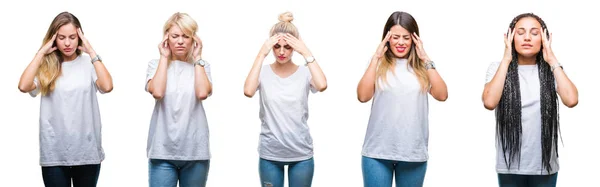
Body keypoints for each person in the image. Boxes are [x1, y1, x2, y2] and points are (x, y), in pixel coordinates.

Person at [17, 11, 113, 187]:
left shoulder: (89, 64)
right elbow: (23, 86)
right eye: (61, 37)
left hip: (87, 151)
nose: (67, 43)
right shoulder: (46, 66)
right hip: (54, 153)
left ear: (80, 37)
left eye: (72, 37)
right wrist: (41, 54)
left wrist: (91, 51)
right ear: (53, 39)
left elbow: (107, 87)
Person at [482, 13, 578, 187]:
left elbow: (571, 100)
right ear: (510, 37)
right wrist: (506, 59)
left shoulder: (552, 69)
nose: (527, 38)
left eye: (534, 33)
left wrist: (552, 59)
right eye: (520, 32)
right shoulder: (498, 68)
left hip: (545, 167)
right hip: (510, 167)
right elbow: (489, 102)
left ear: (544, 38)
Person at [357, 11, 448, 187]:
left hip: (412, 152)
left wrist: (425, 57)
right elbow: (363, 96)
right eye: (395, 37)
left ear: (414, 39)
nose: (400, 42)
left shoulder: (423, 67)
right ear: (387, 38)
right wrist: (376, 58)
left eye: (406, 37)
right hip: (377, 152)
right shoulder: (377, 64)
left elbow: (442, 95)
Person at [243, 11, 327, 187]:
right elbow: (248, 91)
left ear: (294, 47)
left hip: (301, 153)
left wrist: (306, 51)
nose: (281, 52)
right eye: (276, 46)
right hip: (270, 154)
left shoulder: (305, 73)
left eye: (287, 47)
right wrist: (261, 54)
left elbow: (322, 85)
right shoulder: (263, 72)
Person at [145, 12, 212, 187]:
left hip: (195, 152)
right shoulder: (156, 65)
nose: (180, 41)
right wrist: (164, 57)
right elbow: (158, 92)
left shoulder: (202, 66)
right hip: (162, 152)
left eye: (186, 36)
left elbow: (202, 93)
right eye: (175, 36)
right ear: (166, 38)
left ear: (194, 39)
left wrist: (197, 58)